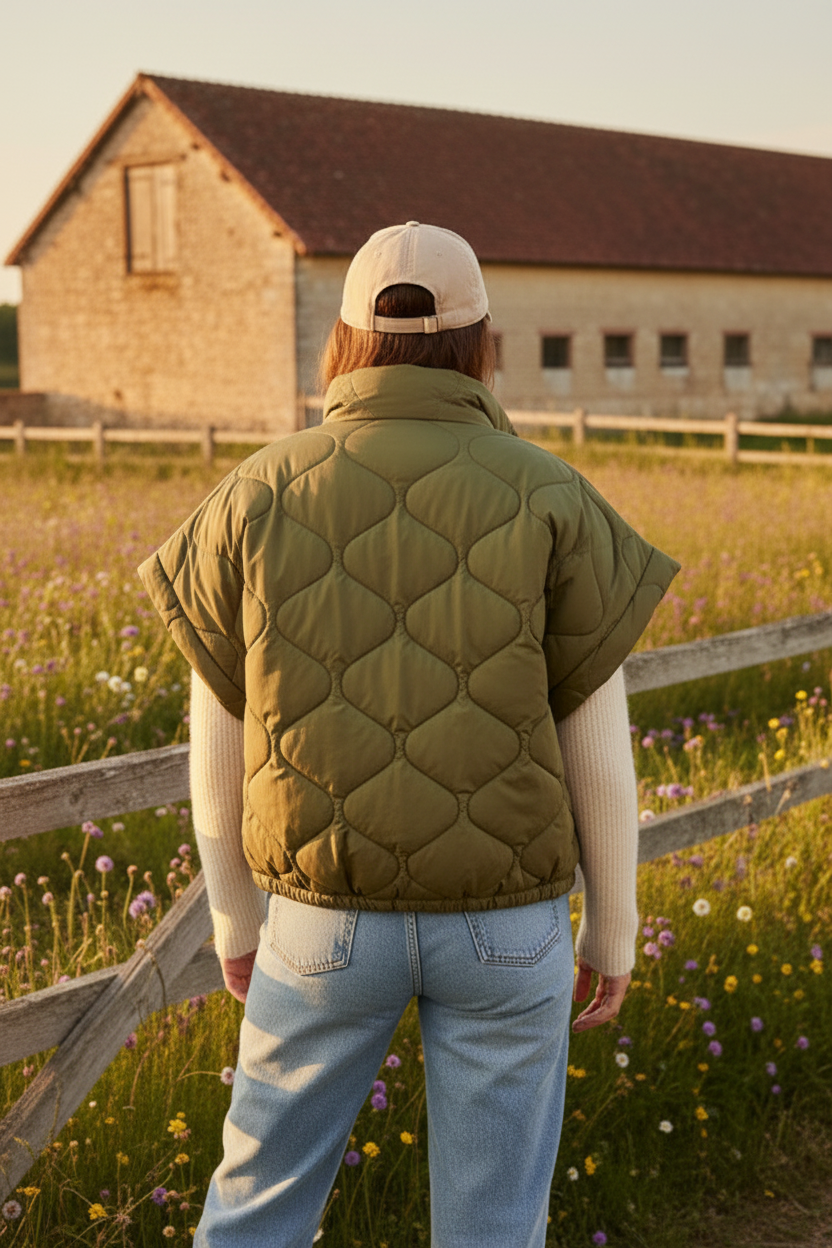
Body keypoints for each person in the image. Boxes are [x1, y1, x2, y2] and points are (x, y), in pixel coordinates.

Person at [139, 221, 680, 1248]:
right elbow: (598, 753)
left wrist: (233, 920)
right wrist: (612, 930)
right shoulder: (551, 493)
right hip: (508, 924)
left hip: (320, 919)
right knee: (492, 1225)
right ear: (482, 340)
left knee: (253, 1209)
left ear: (344, 340)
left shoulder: (253, 494)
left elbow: (214, 753)